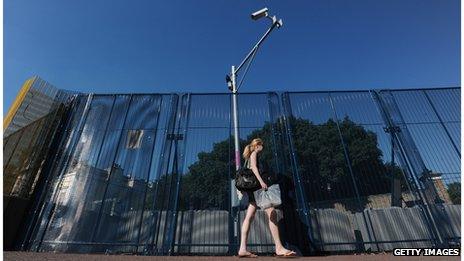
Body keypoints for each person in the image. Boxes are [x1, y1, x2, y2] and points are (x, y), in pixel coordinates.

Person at [237, 138, 297, 258]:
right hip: (258, 188)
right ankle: (279, 248)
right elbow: (254, 168)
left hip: (252, 191)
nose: (263, 147)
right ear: (257, 145)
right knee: (272, 212)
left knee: (249, 216)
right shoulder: (254, 153)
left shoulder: (248, 157)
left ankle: (242, 248)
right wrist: (262, 182)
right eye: (261, 145)